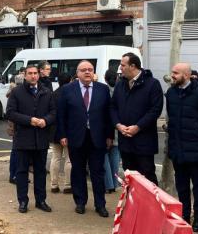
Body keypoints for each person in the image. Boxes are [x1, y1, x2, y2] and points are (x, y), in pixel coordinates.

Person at [57, 60, 114, 218]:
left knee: (98, 172)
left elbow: (108, 115)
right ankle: (80, 202)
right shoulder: (68, 90)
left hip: (98, 137)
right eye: (84, 70)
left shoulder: (103, 89)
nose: (87, 72)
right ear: (77, 73)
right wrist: (62, 135)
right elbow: (61, 114)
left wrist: (110, 135)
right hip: (76, 137)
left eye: (90, 69)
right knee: (78, 171)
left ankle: (100, 204)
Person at [167, 63, 198, 233]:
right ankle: (185, 216)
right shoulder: (171, 93)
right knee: (181, 186)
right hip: (177, 149)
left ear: (186, 75)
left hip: (195, 149)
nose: (172, 75)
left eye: (175, 73)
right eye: (172, 72)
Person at [7, 65, 56, 213]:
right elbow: (10, 113)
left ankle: (41, 200)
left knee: (40, 172)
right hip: (23, 139)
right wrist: (30, 120)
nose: (33, 76)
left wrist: (45, 120)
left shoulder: (47, 92)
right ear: (25, 75)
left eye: (35, 73)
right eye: (30, 73)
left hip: (41, 139)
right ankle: (23, 201)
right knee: (22, 171)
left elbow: (54, 112)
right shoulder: (17, 92)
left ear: (39, 75)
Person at [111, 52, 164, 185]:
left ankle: (151, 206)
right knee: (129, 177)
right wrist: (118, 125)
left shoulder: (152, 84)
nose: (120, 68)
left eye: (123, 65)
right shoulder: (120, 84)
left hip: (144, 142)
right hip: (125, 141)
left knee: (147, 178)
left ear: (133, 66)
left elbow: (155, 110)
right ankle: (132, 205)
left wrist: (138, 127)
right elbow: (112, 107)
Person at [50, 72, 72, 194]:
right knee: (69, 159)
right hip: (68, 130)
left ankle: (54, 185)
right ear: (69, 80)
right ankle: (68, 185)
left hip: (54, 130)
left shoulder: (53, 94)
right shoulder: (70, 93)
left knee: (56, 157)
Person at [103, 69, 120, 194]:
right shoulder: (121, 91)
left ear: (105, 79)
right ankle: (114, 183)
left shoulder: (103, 92)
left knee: (103, 157)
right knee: (115, 156)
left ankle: (108, 184)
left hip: (106, 128)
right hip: (119, 127)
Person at [7, 69, 25, 184]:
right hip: (17, 128)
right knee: (16, 152)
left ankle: (17, 175)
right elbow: (13, 113)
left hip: (17, 127)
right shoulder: (16, 94)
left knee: (20, 153)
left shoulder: (15, 93)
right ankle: (13, 175)